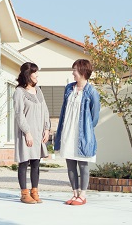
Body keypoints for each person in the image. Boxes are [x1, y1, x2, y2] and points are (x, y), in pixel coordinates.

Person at [53, 59, 101, 206]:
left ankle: (83, 194)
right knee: (70, 163)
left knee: (83, 164)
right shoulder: (68, 88)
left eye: (75, 70)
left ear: (82, 71)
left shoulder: (92, 92)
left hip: (82, 134)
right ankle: (74, 193)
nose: (73, 73)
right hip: (68, 130)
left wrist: (85, 129)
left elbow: (95, 116)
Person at [13, 62, 51, 204]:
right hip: (26, 133)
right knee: (24, 163)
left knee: (36, 162)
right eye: (34, 73)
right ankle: (24, 194)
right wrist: (27, 132)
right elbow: (19, 114)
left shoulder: (38, 91)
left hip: (39, 132)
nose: (37, 75)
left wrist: (47, 129)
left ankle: (34, 191)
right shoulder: (19, 92)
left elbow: (45, 110)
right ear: (27, 74)